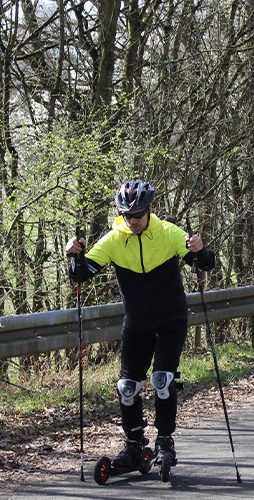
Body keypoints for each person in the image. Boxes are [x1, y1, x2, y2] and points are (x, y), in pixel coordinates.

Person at [65, 179, 217, 471]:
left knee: (162, 379)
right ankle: (134, 445)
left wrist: (200, 249)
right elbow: (81, 274)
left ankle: (164, 441)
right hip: (137, 322)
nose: (132, 221)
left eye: (137, 215)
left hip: (171, 318)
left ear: (149, 210)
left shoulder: (168, 233)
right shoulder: (113, 239)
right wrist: (74, 255)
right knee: (126, 386)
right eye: (126, 215)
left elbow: (204, 264)